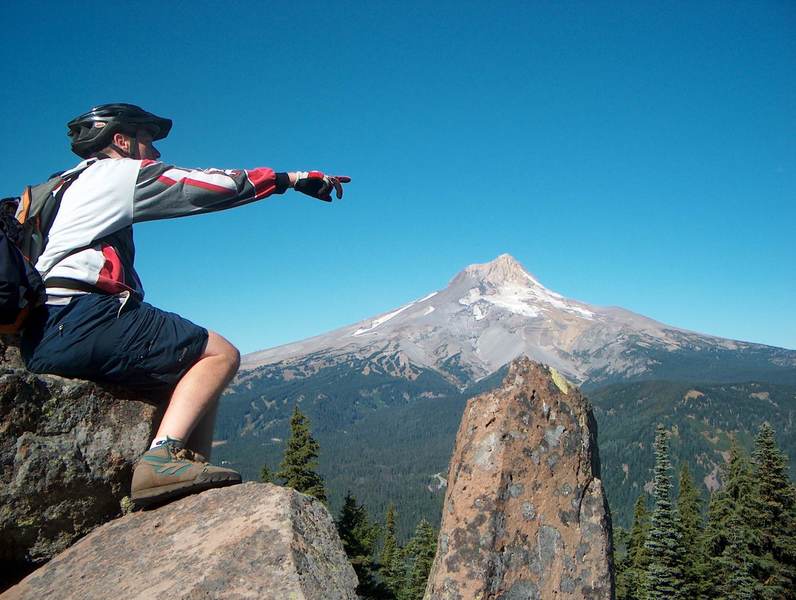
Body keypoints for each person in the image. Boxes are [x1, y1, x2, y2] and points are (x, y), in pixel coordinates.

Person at [20, 103, 350, 507]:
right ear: (122, 141)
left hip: (41, 331)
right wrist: (292, 179)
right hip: (85, 312)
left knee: (182, 380)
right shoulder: (116, 173)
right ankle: (163, 458)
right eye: (149, 141)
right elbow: (211, 186)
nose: (156, 153)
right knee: (220, 354)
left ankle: (185, 473)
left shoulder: (53, 188)